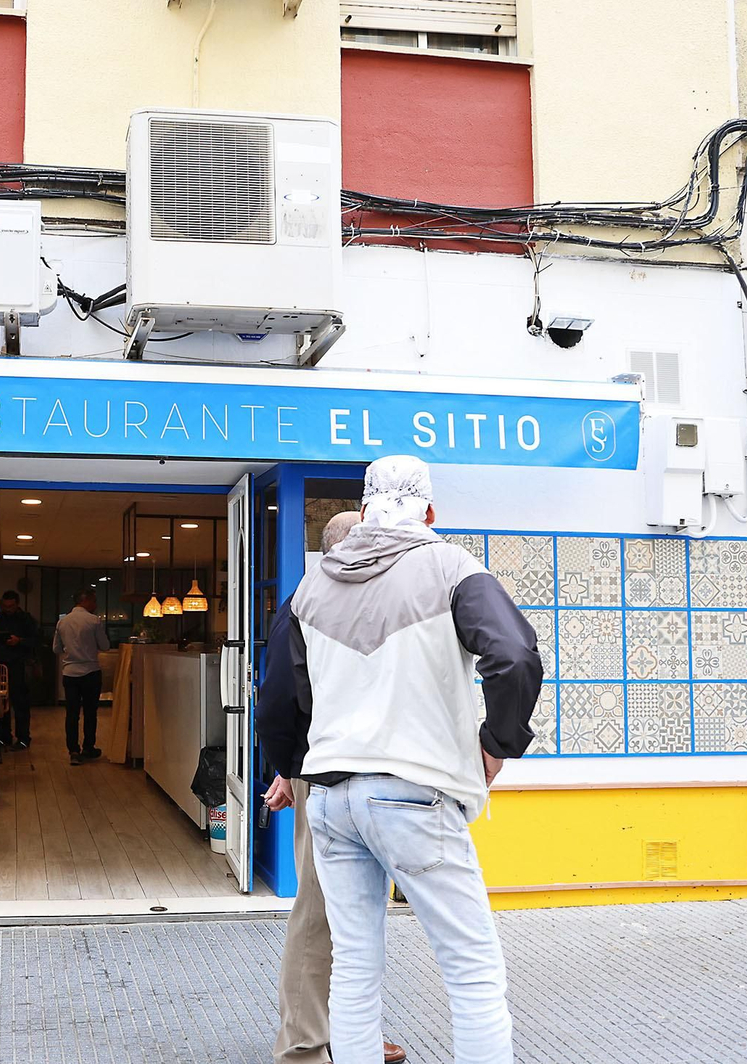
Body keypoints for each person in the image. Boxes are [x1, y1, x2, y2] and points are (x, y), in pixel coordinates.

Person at [258, 456, 542, 1064]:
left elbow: (278, 697)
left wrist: (289, 766)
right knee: (472, 973)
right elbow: (515, 656)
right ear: (431, 513)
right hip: (413, 793)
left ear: (363, 513)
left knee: (355, 970)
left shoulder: (311, 588)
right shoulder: (452, 567)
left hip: (332, 800)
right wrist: (498, 744)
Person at [258, 510, 406, 1064]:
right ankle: (303, 1044)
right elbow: (278, 702)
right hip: (324, 775)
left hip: (375, 773)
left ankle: (352, 1033)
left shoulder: (369, 603)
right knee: (319, 911)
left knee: (360, 911)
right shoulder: (305, 604)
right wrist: (289, 769)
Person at [52, 588, 109, 767]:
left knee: (72, 714)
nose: (95, 605)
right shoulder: (94, 621)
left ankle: (73, 751)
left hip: (70, 673)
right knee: (90, 713)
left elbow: (56, 649)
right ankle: (88, 747)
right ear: (86, 600)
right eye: (94, 601)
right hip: (91, 671)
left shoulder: (62, 622)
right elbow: (105, 646)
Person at [0, 590, 38, 749]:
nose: (8, 609)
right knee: (2, 703)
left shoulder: (26, 619)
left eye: (11, 606)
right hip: (0, 666)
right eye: (6, 606)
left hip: (19, 665)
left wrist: (19, 640)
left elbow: (35, 641)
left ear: (17, 604)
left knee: (20, 703)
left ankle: (23, 738)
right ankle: (3, 736)